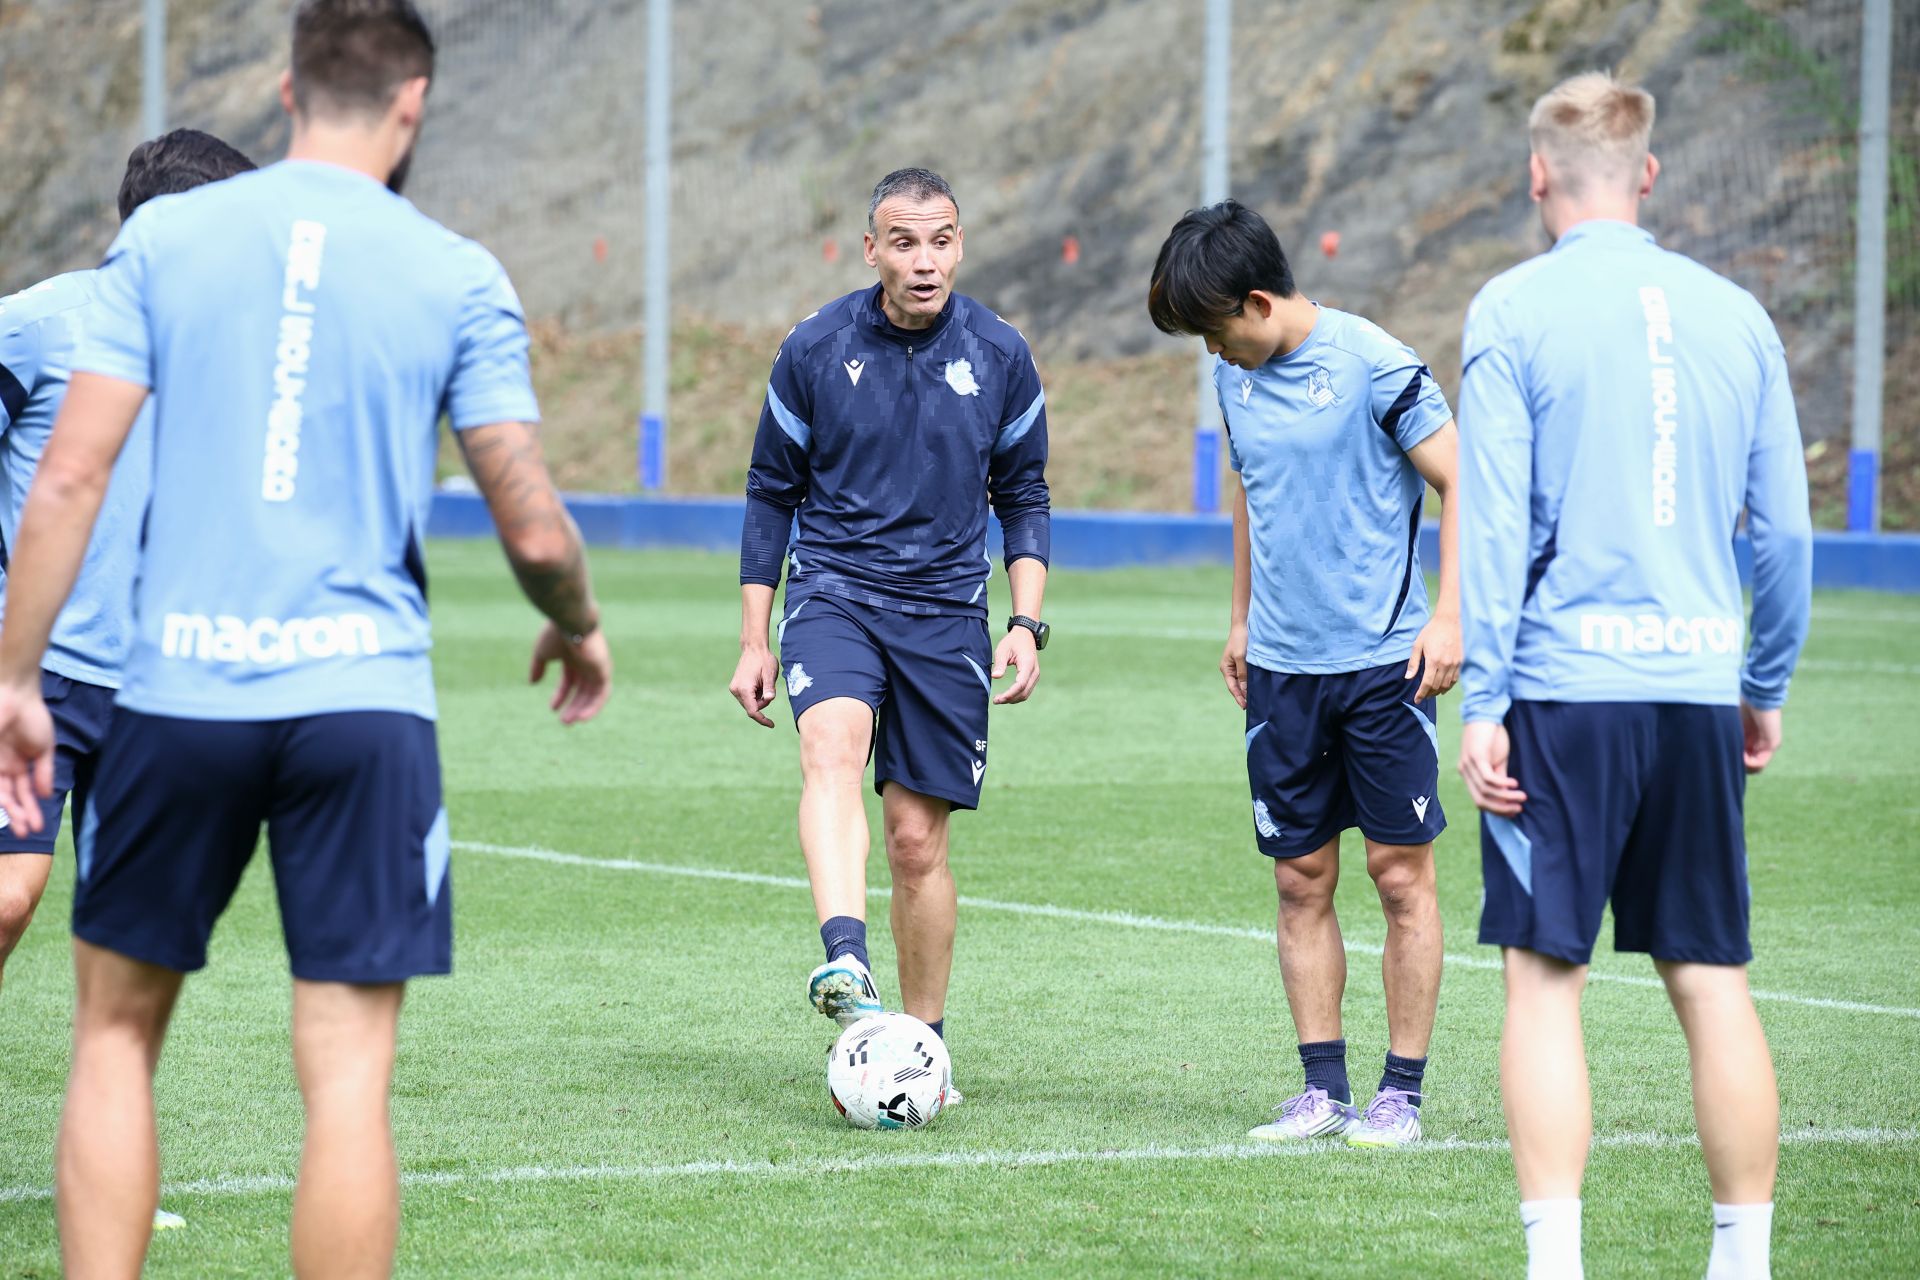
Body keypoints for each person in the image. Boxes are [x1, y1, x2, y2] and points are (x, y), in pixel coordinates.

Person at [0, 3, 613, 1276]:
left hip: (176, 689)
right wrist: (579, 625)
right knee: (346, 1079)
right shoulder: (456, 268)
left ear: (286, 89)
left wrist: (13, 671)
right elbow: (536, 526)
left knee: (114, 1036)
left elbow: (67, 480)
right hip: (363, 702)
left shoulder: (164, 239)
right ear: (415, 103)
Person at [1456, 71, 1812, 1280]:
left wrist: (1485, 697)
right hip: (1700, 689)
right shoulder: (1738, 314)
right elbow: (1785, 535)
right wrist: (1761, 678)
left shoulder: (1512, 307)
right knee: (1713, 980)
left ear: (1539, 174)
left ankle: (1557, 1266)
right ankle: (1743, 1262)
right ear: (1648, 175)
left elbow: (1495, 519)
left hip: (1564, 692)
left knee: (1545, 980)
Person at [1147, 200, 1461, 1148]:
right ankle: (1322, 1092)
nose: (1211, 354)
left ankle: (1398, 1095)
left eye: (1213, 332)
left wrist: (1451, 616)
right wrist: (1240, 617)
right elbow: (1250, 493)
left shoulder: (1376, 363)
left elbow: (1467, 480)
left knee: (1398, 877)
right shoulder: (1236, 384)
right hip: (1283, 669)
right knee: (1299, 880)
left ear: (1254, 301)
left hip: (1383, 665)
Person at [728, 167, 1051, 1089]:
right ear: (870, 249)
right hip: (834, 592)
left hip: (948, 611)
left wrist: (1026, 621)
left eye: (941, 240)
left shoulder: (1000, 353)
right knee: (830, 743)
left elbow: (1023, 495)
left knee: (917, 841)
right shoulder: (816, 347)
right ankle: (845, 955)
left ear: (960, 244)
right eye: (903, 242)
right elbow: (769, 493)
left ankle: (924, 1045)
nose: (924, 260)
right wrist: (756, 636)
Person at [0, 128, 256, 1001]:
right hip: (33, 678)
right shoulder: (38, 327)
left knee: (130, 953)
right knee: (7, 897)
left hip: (154, 689)